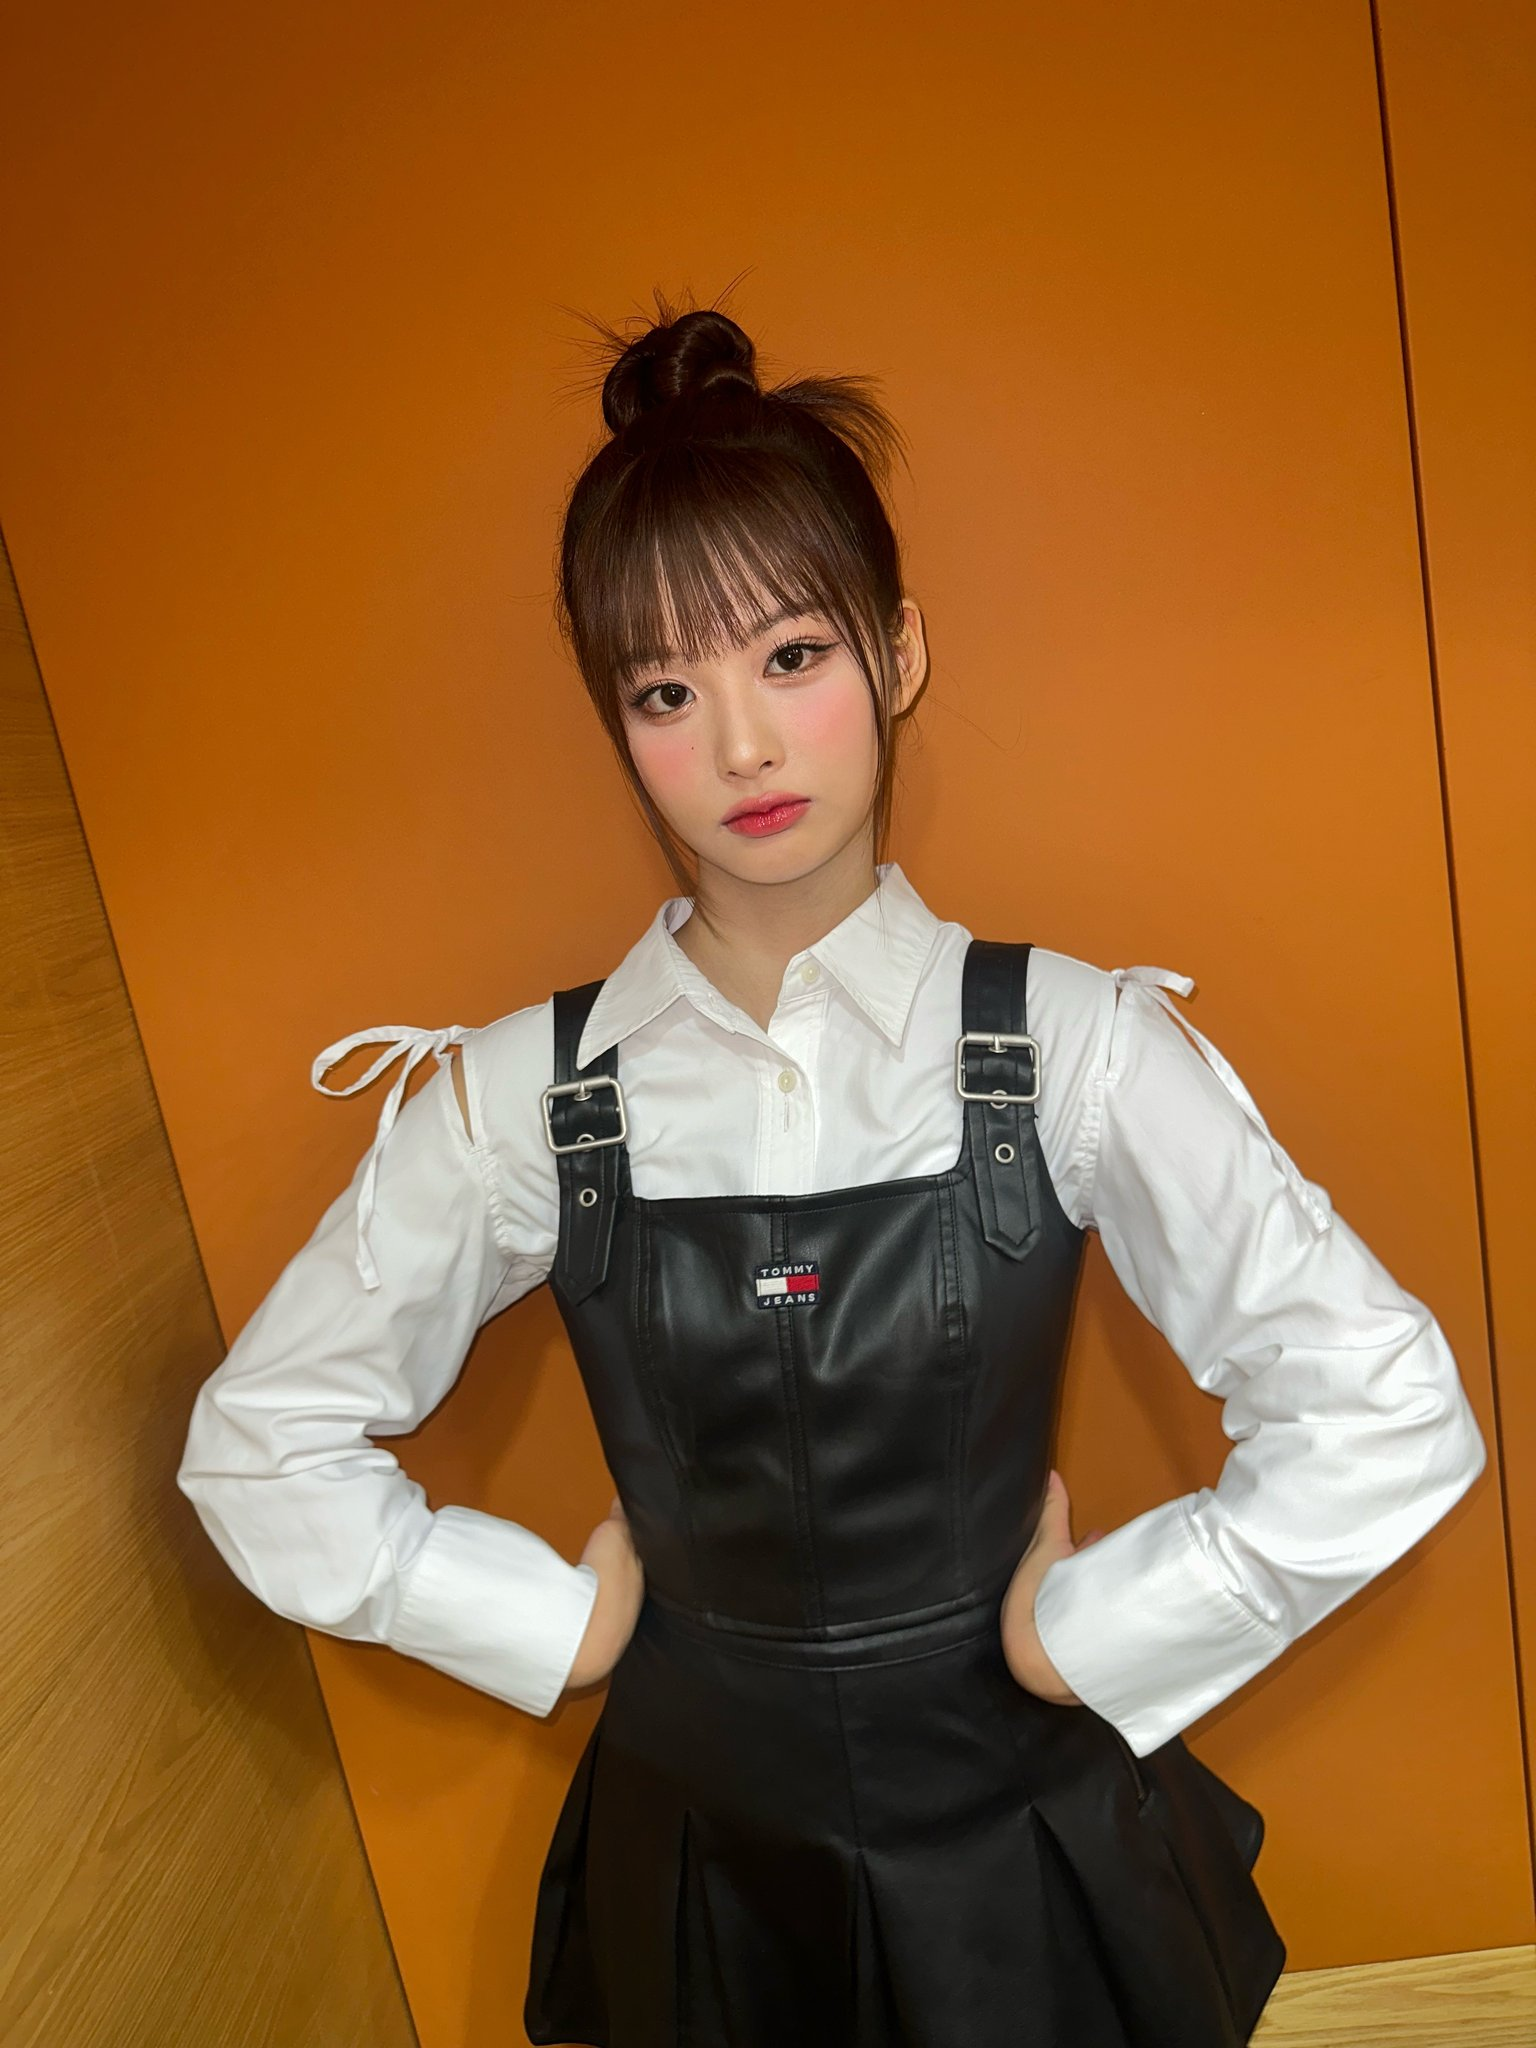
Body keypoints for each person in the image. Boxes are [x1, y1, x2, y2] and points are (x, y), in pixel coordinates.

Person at [176, 290, 1487, 2048]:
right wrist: (545, 1628)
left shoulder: (1076, 1043)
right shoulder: (521, 1098)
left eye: (791, 657)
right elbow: (257, 1445)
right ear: (615, 722)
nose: (740, 747)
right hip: (707, 1873)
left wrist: (1091, 1637)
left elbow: (1389, 1409)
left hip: (1022, 1848)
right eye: (667, 690)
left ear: (899, 650)